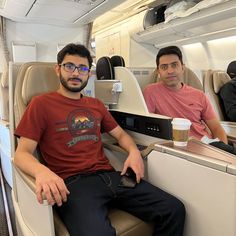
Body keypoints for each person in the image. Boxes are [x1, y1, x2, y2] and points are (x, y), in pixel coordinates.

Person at [14, 43, 185, 236]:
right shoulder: (41, 104)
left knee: (174, 209)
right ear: (58, 69)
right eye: (69, 66)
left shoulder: (95, 105)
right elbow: (22, 154)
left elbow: (120, 135)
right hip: (74, 184)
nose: (76, 73)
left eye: (83, 68)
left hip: (111, 177)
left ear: (89, 73)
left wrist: (134, 152)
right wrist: (41, 172)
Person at [143, 45, 236, 155]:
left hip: (206, 145)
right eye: (164, 67)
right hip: (178, 149)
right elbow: (146, 128)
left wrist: (222, 153)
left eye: (174, 65)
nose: (170, 71)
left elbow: (216, 128)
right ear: (158, 71)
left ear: (182, 67)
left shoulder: (199, 95)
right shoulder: (151, 92)